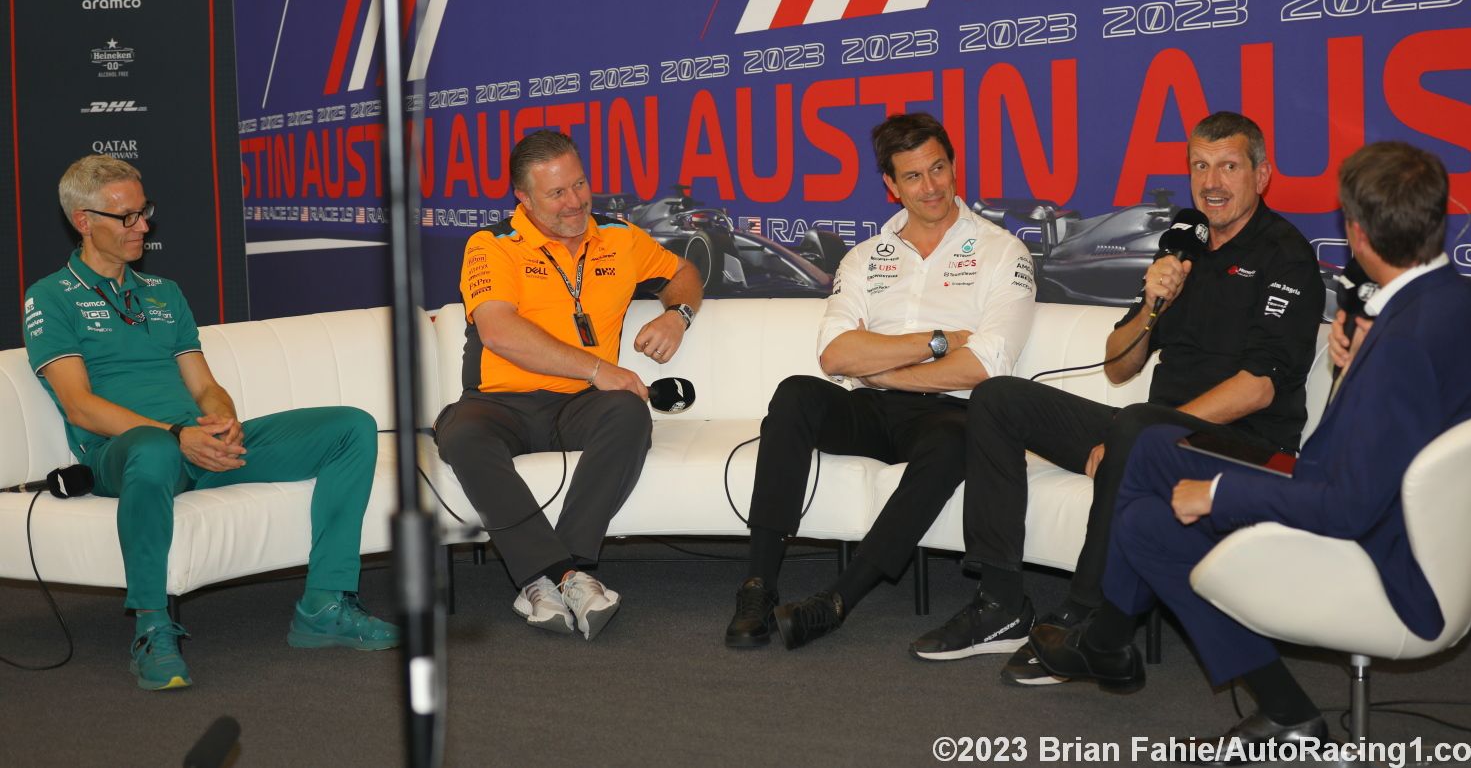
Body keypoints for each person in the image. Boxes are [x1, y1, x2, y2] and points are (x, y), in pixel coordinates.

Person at [1030, 140, 1471, 751]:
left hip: (1384, 554)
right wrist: (1356, 368)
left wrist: (1217, 494)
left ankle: (1115, 641)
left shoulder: (1403, 344)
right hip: (1423, 530)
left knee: (1149, 493)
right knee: (1145, 465)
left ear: (1356, 233)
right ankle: (1151, 656)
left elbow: (1347, 505)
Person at [915, 112, 1324, 680]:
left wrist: (1146, 437)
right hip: (1158, 427)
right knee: (998, 398)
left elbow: (1258, 389)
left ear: (1262, 175)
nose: (1213, 183)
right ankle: (1002, 603)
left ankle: (1083, 620)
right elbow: (1117, 364)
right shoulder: (1184, 247)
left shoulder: (1286, 255)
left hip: (1246, 446)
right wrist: (1153, 305)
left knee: (1134, 428)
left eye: (1229, 167)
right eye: (1200, 167)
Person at [22, 155, 398, 691]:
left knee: (350, 427)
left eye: (144, 212)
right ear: (84, 221)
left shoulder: (163, 293)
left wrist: (222, 422)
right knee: (152, 447)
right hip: (126, 454)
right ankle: (152, 629)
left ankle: (324, 604)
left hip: (196, 444)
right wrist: (178, 436)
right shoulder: (51, 297)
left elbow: (203, 385)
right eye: (126, 217)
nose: (143, 226)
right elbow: (80, 405)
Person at [723, 112, 1037, 650]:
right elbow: (834, 353)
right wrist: (937, 340)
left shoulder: (1002, 251)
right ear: (891, 186)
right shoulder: (866, 256)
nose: (931, 186)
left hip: (948, 412)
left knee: (958, 439)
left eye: (938, 168)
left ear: (955, 166)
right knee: (796, 394)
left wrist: (881, 363)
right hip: (870, 407)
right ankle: (758, 583)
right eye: (913, 176)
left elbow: (983, 367)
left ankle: (840, 598)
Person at [434, 130, 702, 641]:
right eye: (556, 193)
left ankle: (558, 572)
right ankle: (559, 576)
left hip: (580, 405)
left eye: (579, 184)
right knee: (461, 435)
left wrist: (678, 315)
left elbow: (683, 271)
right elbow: (498, 329)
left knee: (628, 412)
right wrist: (600, 370)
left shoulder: (620, 237)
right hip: (499, 402)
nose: (575, 201)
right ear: (524, 198)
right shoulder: (491, 245)